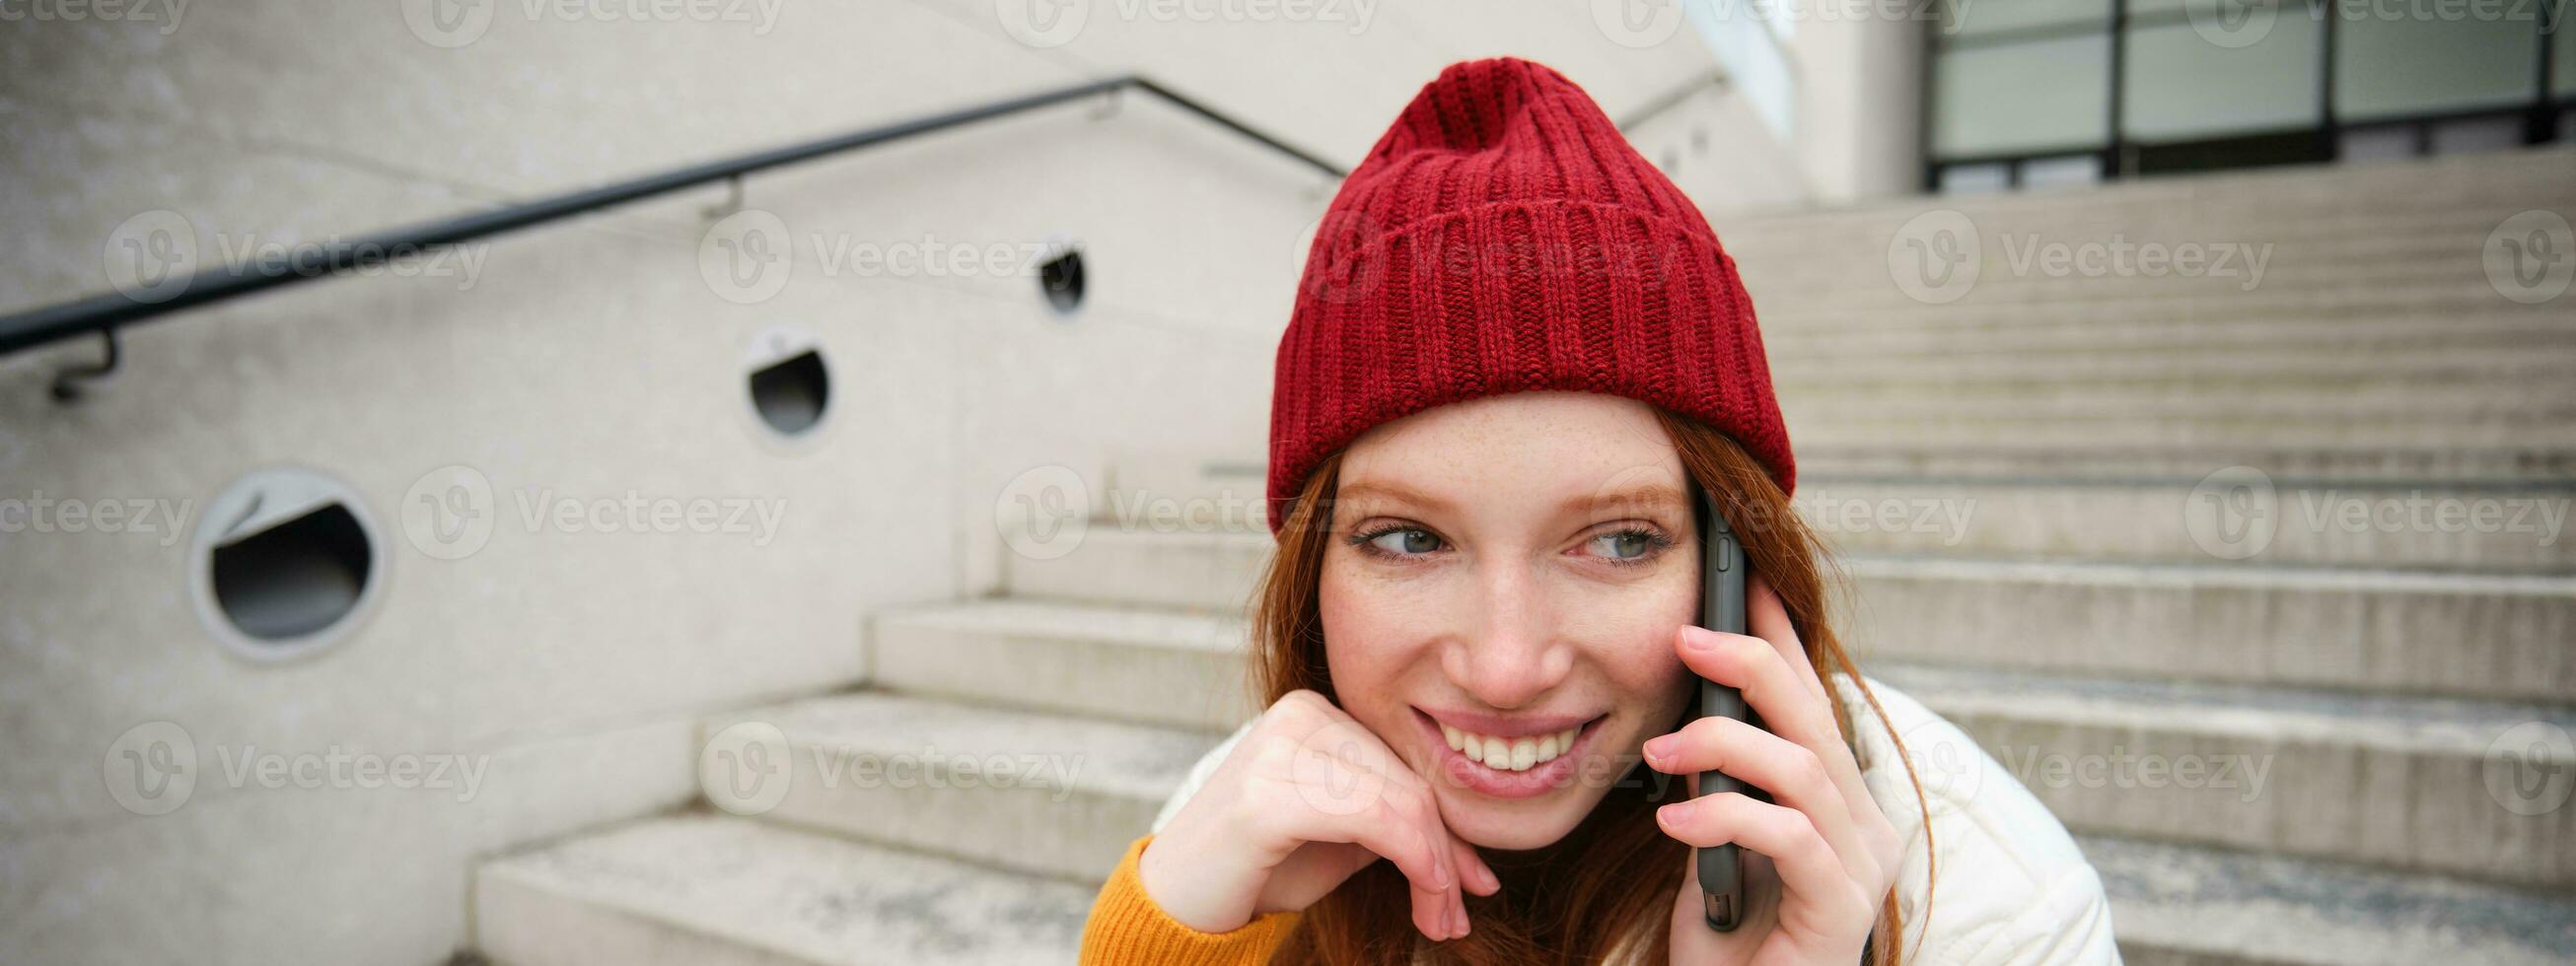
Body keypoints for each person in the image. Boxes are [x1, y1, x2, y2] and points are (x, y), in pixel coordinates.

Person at [1077, 56, 2119, 965]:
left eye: (1619, 540)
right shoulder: (1251, 821)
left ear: (1731, 556)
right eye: (1405, 537)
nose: (1502, 666)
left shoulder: (1986, 904)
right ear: (1312, 570)